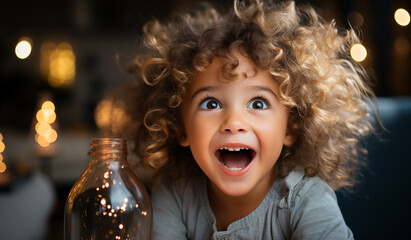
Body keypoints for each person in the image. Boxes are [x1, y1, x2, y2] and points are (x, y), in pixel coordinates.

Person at [120, 0, 376, 239]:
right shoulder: (174, 195)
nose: (234, 121)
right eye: (211, 103)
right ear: (180, 127)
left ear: (292, 126)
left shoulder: (307, 201)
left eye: (258, 103)